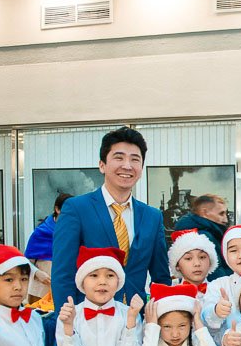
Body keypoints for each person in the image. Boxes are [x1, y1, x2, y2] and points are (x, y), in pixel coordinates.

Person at [52, 126, 171, 306]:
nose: (127, 166)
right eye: (119, 157)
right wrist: (67, 319)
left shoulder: (152, 217)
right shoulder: (76, 209)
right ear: (102, 165)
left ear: (141, 167)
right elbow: (63, 274)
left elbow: (161, 278)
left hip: (135, 316)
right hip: (88, 317)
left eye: (135, 159)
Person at [25, 192, 71, 306]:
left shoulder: (75, 233)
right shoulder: (40, 232)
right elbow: (25, 262)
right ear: (57, 209)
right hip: (40, 290)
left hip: (65, 290)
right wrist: (37, 273)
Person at [174, 193, 230, 281]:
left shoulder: (207, 233)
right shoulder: (204, 237)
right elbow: (216, 273)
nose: (225, 219)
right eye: (221, 214)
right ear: (205, 212)